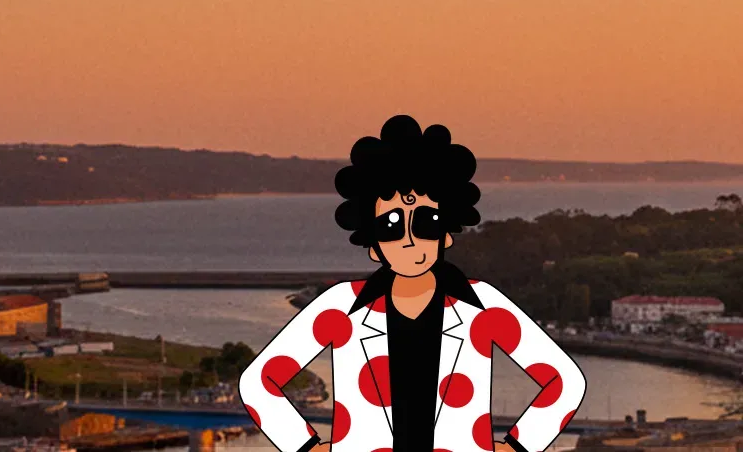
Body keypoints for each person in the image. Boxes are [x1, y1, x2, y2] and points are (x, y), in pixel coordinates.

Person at [239, 116, 585, 452]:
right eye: (391, 227)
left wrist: (518, 447)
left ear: (446, 234)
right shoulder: (339, 307)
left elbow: (564, 382)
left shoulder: (482, 306)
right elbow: (259, 384)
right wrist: (306, 447)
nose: (409, 239)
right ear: (373, 245)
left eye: (426, 221)